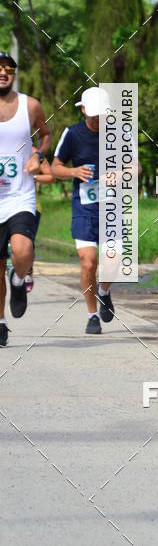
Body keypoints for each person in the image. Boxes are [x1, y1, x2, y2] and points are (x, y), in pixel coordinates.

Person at [51, 87, 115, 335]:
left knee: (115, 261)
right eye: (93, 114)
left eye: (102, 114)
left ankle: (104, 292)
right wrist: (74, 172)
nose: (98, 119)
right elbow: (55, 167)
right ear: (83, 110)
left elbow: (136, 167)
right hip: (84, 207)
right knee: (89, 263)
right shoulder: (72, 134)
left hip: (113, 207)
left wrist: (121, 174)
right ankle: (92, 315)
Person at [0, 52, 52, 346]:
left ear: (15, 74)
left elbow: (45, 135)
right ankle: (1, 322)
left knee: (23, 250)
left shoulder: (30, 105)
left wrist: (37, 155)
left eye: (8, 68)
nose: (3, 72)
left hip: (20, 195)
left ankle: (19, 279)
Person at [23, 157, 56, 292]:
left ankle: (27, 269)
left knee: (27, 244)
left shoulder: (35, 153)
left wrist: (32, 177)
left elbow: (51, 177)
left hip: (30, 207)